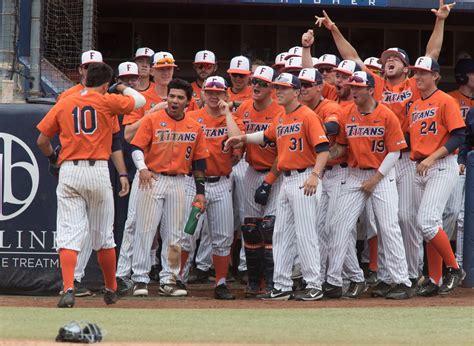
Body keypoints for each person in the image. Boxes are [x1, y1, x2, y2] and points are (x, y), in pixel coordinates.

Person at [315, 1, 454, 294]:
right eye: (386, 57)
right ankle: (397, 274)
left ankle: (412, 274)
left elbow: (432, 55)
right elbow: (351, 58)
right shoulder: (375, 85)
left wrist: (440, 21)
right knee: (390, 220)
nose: (389, 60)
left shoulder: (414, 85)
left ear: (406, 67)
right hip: (377, 158)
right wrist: (334, 29)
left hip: (406, 157)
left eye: (395, 58)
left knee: (405, 219)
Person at [36, 63, 145, 308]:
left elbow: (42, 140)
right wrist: (121, 88)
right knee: (103, 235)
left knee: (68, 233)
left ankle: (68, 287)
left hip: (70, 171)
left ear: (85, 79)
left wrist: (54, 158)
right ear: (105, 85)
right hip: (97, 171)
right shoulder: (107, 100)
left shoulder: (65, 101)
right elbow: (139, 101)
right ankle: (111, 289)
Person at [226, 73, 330, 301]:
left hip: (305, 179)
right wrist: (241, 139)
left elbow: (323, 149)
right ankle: (282, 285)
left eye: (283, 88)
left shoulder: (307, 116)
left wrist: (315, 175)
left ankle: (314, 284)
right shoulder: (282, 117)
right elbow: (265, 135)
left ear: (296, 92)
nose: (278, 91)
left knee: (305, 234)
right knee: (280, 234)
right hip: (287, 180)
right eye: (277, 88)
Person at [327, 71, 413, 300]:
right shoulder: (347, 113)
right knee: (338, 226)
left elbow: (395, 151)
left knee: (388, 227)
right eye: (352, 86)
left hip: (382, 175)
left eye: (358, 87)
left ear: (370, 90)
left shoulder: (387, 115)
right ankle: (334, 282)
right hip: (354, 175)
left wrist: (375, 179)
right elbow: (341, 148)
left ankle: (401, 281)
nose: (353, 90)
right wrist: (323, 154)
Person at [128, 78, 209, 298]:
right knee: (145, 231)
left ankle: (169, 279)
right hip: (153, 179)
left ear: (188, 102)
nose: (174, 100)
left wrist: (200, 192)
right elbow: (135, 147)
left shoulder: (195, 127)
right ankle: (139, 278)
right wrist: (142, 168)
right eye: (171, 96)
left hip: (179, 181)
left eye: (180, 97)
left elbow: (200, 163)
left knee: (175, 235)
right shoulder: (152, 119)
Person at [73, 61, 141, 296]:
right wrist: (120, 88)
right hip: (91, 167)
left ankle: (90, 282)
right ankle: (76, 280)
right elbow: (138, 101)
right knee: (85, 229)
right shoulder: (101, 98)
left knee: (99, 229)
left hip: (82, 167)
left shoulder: (89, 99)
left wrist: (122, 173)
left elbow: (114, 141)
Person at [179, 76, 244, 300]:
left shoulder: (231, 119)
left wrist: (227, 114)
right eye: (210, 92)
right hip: (193, 183)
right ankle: (180, 279)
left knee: (223, 236)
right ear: (203, 94)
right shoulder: (192, 117)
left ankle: (221, 282)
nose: (214, 96)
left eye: (218, 92)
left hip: (221, 182)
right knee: (188, 234)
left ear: (226, 94)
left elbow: (238, 140)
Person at [408, 57, 465, 296]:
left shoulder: (446, 100)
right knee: (431, 225)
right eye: (416, 73)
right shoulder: (414, 106)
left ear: (436, 76)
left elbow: (459, 136)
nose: (418, 77)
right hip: (421, 166)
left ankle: (454, 269)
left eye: (423, 73)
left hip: (441, 163)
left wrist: (431, 158)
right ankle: (435, 278)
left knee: (427, 221)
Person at [234, 65, 285, 296]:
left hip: (276, 172)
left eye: (262, 83)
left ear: (272, 88)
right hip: (252, 170)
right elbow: (239, 138)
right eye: (255, 82)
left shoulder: (280, 111)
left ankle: (273, 282)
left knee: (269, 228)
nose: (256, 86)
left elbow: (283, 153)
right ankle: (254, 281)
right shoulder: (245, 107)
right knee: (251, 228)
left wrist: (269, 181)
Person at [446, 59, 474, 272]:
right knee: (454, 213)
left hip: (467, 161)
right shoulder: (450, 99)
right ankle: (451, 264)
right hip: (456, 161)